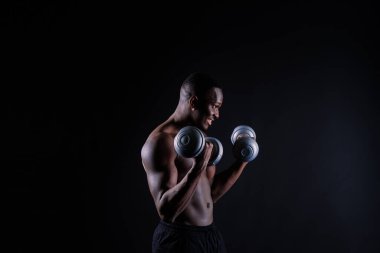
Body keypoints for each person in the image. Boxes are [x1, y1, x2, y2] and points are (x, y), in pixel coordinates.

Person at [141, 72, 252, 252]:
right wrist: (198, 167)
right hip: (179, 239)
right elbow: (166, 211)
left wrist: (243, 159)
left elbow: (212, 193)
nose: (217, 114)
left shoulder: (199, 138)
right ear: (193, 103)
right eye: (214, 106)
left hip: (209, 236)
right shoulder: (161, 142)